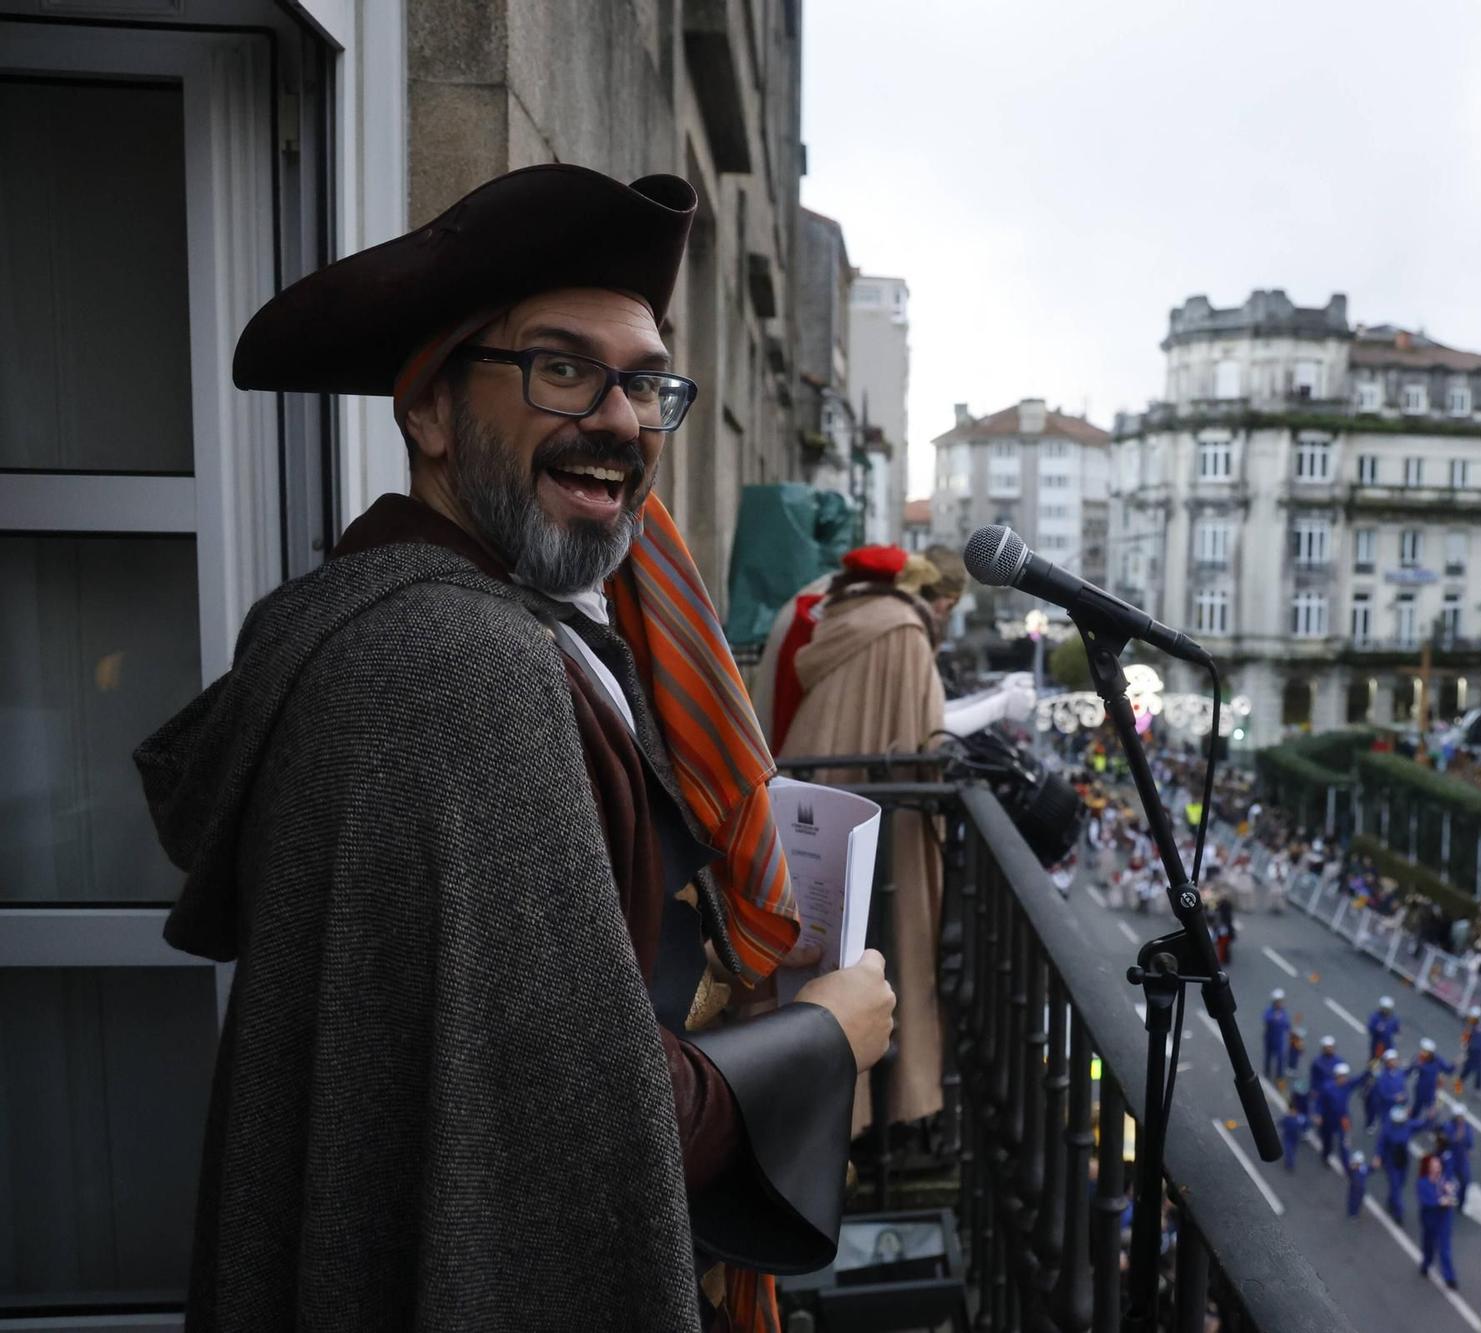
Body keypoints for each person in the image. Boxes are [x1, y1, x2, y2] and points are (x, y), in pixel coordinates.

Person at [133, 164, 898, 1329]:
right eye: (560, 370)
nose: (619, 420)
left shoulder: (445, 620)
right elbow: (560, 1122)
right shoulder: (456, 664)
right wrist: (821, 1039)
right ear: (427, 409)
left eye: (645, 384)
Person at [783, 539, 986, 1136]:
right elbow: (928, 743)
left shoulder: (843, 615)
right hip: (877, 825)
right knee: (879, 953)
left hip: (809, 806)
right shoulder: (903, 631)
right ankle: (871, 1111)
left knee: (820, 957)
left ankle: (824, 1103)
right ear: (939, 599)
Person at [1417, 1154, 1461, 1289]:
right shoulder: (1423, 1183)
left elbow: (1455, 1188)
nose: (1437, 1169)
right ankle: (1426, 1264)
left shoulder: (1444, 1179)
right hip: (1430, 1219)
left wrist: (1451, 1191)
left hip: (1443, 1219)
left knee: (1444, 1249)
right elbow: (1426, 1200)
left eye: (1438, 1166)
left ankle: (1450, 1278)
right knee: (1428, 1246)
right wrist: (1440, 1201)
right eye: (1434, 1167)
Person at [1319, 1060, 1366, 1170]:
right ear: (1337, 1076)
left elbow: (1358, 1080)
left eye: (1345, 1076)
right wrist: (1319, 1115)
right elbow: (1320, 1102)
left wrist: (1368, 1071)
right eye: (1342, 1076)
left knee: (1344, 1143)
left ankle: (1346, 1165)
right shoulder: (1327, 1088)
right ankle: (1325, 1156)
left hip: (1343, 1119)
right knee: (1327, 1141)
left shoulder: (1347, 1085)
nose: (1344, 1078)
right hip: (1329, 1119)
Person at [1379, 1103, 1417, 1226]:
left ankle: (1391, 1201)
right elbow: (1381, 1144)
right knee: (1396, 1187)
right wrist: (1378, 1157)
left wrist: (1431, 1117)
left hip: (1404, 1161)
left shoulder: (1407, 1126)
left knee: (1400, 1184)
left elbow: (1422, 1125)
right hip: (1392, 1162)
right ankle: (1398, 1213)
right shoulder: (1387, 1129)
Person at [1439, 1102, 1476, 1214]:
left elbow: (1470, 1141)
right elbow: (1444, 1141)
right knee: (1447, 1182)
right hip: (1450, 1157)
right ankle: (1443, 1203)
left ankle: (1461, 1203)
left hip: (1461, 1157)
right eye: (1459, 1116)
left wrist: (1470, 1149)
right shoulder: (1448, 1126)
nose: (1461, 1119)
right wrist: (1455, 1138)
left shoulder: (1467, 1127)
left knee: (1465, 1181)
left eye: (1462, 1116)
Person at [1413, 1037, 1457, 1118]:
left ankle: (1429, 1124)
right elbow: (1413, 1068)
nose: (1422, 1052)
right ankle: (1411, 1123)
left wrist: (1454, 1064)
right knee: (1416, 1109)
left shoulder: (1438, 1060)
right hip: (1420, 1088)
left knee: (1431, 1113)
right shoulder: (1419, 1059)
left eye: (1424, 1051)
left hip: (1430, 1091)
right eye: (1422, 1050)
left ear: (1430, 1053)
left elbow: (1448, 1070)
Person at [1367, 1048, 1408, 1132]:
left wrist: (1405, 1097)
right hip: (1385, 1107)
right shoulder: (1381, 1076)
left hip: (1398, 1105)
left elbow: (1403, 1087)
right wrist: (1395, 1098)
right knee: (1385, 1125)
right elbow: (1382, 1094)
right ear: (1387, 1062)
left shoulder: (1400, 1072)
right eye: (1392, 1060)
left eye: (1395, 1059)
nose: (1395, 1062)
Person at [1461, 1007, 1481, 1093]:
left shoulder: (1478, 1028)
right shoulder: (1472, 1025)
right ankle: (1461, 1082)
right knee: (1468, 1068)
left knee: (1478, 1071)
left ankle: (1477, 1089)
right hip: (1472, 1051)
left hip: (1476, 1053)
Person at [1262, 990, 1290, 1082]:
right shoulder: (1270, 1011)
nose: (1280, 1003)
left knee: (1280, 1058)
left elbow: (1286, 1024)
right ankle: (1267, 1072)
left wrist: (1289, 1030)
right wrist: (1274, 1018)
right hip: (1270, 1038)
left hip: (1279, 1039)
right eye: (1278, 1002)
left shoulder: (1282, 1012)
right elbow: (1266, 1019)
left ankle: (1279, 1075)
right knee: (1268, 1056)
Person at [1279, 1091, 1309, 1172]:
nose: (1293, 1112)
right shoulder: (1287, 1117)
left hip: (1295, 1137)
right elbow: (1280, 1123)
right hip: (1287, 1136)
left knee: (1293, 1150)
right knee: (1289, 1150)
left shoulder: (1299, 1118)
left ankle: (1289, 1162)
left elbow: (1306, 1123)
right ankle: (1290, 1164)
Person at [1347, 1151, 1373, 1219]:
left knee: (1358, 1201)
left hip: (1361, 1188)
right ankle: (1352, 1213)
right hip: (1355, 1188)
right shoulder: (1352, 1170)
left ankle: (1355, 1211)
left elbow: (1369, 1169)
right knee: (1353, 1200)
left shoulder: (1363, 1168)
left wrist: (1373, 1167)